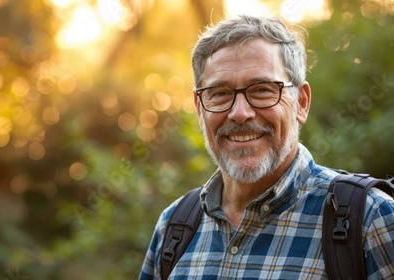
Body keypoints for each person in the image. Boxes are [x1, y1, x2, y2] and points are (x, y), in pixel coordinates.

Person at [139, 15, 394, 279]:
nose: (240, 113)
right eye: (220, 93)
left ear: (301, 103)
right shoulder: (173, 227)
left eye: (261, 89)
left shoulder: (371, 221)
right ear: (199, 108)